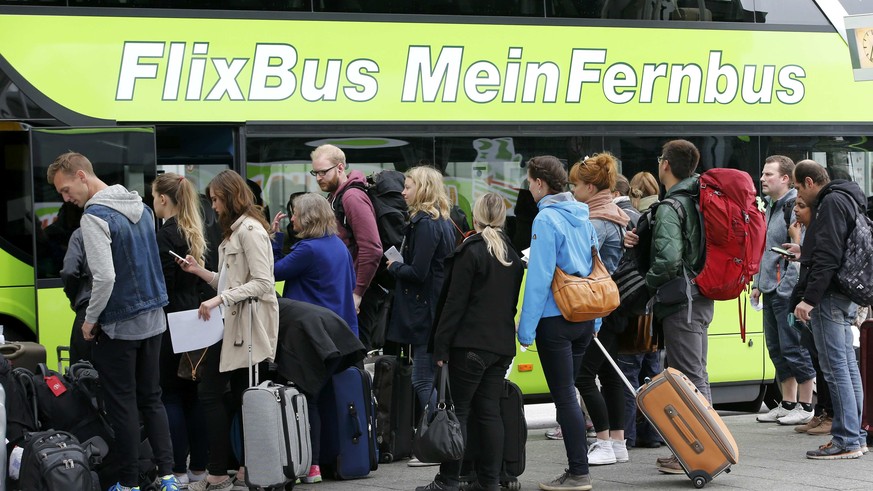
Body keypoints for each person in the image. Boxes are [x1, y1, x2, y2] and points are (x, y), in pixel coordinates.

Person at [47, 152, 179, 491]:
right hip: (154, 319)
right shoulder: (143, 209)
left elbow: (104, 277)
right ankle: (167, 477)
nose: (66, 198)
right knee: (152, 399)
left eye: (65, 190)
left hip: (119, 325)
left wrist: (90, 321)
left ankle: (129, 483)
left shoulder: (94, 217)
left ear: (81, 175)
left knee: (122, 405)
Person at [178, 169, 280, 490]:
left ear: (230, 197)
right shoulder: (239, 231)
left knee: (213, 394)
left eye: (216, 200)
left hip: (246, 329)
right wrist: (200, 272)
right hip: (237, 327)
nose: (215, 207)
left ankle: (220, 473)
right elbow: (229, 280)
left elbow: (264, 283)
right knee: (238, 397)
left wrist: (220, 297)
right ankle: (240, 469)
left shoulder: (248, 231)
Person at [417, 193, 524, 491]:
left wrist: (441, 347)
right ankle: (489, 481)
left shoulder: (470, 252)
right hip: (500, 346)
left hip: (469, 345)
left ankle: (449, 480)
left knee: (458, 412)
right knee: (490, 412)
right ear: (502, 218)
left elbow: (453, 305)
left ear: (475, 217)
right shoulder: (512, 257)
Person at [517, 155, 598, 491]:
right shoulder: (584, 216)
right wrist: (596, 323)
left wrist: (525, 327)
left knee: (563, 396)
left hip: (556, 318)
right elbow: (597, 268)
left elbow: (539, 277)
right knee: (570, 391)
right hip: (584, 316)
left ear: (539, 183)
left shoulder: (546, 220)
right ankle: (577, 469)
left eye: (529, 181)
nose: (528, 187)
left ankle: (578, 472)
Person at [270, 192, 359, 485]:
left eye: (294, 213)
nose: (291, 218)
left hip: (311, 338)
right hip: (339, 336)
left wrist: (273, 239)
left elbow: (271, 272)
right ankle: (332, 461)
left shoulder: (307, 249)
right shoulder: (338, 246)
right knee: (328, 399)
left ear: (307, 217)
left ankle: (311, 465)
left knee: (307, 400)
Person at [788, 160, 866, 459]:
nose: (798, 194)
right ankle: (855, 436)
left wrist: (809, 298)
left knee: (836, 370)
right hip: (843, 293)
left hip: (829, 296)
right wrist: (802, 251)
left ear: (809, 182)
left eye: (796, 187)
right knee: (846, 366)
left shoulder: (830, 202)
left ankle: (847, 440)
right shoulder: (848, 197)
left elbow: (830, 255)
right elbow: (834, 248)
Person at [645, 140, 713, 474]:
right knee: (696, 373)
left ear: (666, 165)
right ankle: (702, 447)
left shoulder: (673, 206)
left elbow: (669, 260)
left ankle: (701, 452)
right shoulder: (699, 199)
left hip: (682, 299)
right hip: (700, 295)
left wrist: (649, 282)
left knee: (688, 377)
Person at [567, 154, 632, 466]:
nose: (572, 191)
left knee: (582, 374)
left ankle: (603, 441)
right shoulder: (615, 213)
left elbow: (578, 263)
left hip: (596, 306)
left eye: (576, 185)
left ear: (590, 187)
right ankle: (618, 442)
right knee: (609, 374)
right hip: (613, 305)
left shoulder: (596, 220)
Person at [385, 166, 455, 437]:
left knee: (422, 379)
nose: (403, 192)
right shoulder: (443, 221)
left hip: (425, 313)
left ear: (423, 189)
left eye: (408, 186)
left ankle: (439, 437)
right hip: (434, 309)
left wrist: (393, 267)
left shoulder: (425, 223)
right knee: (428, 378)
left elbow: (418, 272)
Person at [152, 172, 210, 487]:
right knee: (195, 395)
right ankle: (199, 467)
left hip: (170, 322)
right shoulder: (195, 231)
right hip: (197, 319)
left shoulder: (164, 235)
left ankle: (176, 469)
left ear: (163, 199)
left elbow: (162, 286)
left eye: (154, 196)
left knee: (170, 395)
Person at [750, 156, 816, 426]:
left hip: (783, 290)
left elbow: (797, 252)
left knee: (793, 346)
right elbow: (766, 250)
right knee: (776, 348)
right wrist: (757, 284)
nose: (763, 179)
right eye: (763, 174)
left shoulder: (794, 206)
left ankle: (806, 405)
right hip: (770, 288)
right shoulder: (772, 207)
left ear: (786, 178)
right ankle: (787, 403)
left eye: (768, 175)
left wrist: (785, 288)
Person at [310, 144, 383, 349]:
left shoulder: (352, 198)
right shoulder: (335, 197)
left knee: (354, 356)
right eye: (315, 172)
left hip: (356, 293)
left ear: (340, 168)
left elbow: (372, 247)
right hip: (346, 289)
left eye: (323, 172)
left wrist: (357, 293)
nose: (318, 177)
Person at [788, 196, 835, 437]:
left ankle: (830, 415)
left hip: (820, 303)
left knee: (827, 363)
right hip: (809, 301)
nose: (796, 210)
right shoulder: (810, 234)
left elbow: (821, 267)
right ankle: (821, 412)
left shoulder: (820, 231)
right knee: (818, 360)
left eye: (801, 206)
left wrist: (808, 301)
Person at [59, 209, 93, 365]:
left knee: (81, 371)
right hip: (120, 311)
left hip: (88, 308)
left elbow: (69, 272)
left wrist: (75, 298)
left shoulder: (80, 234)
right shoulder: (121, 230)